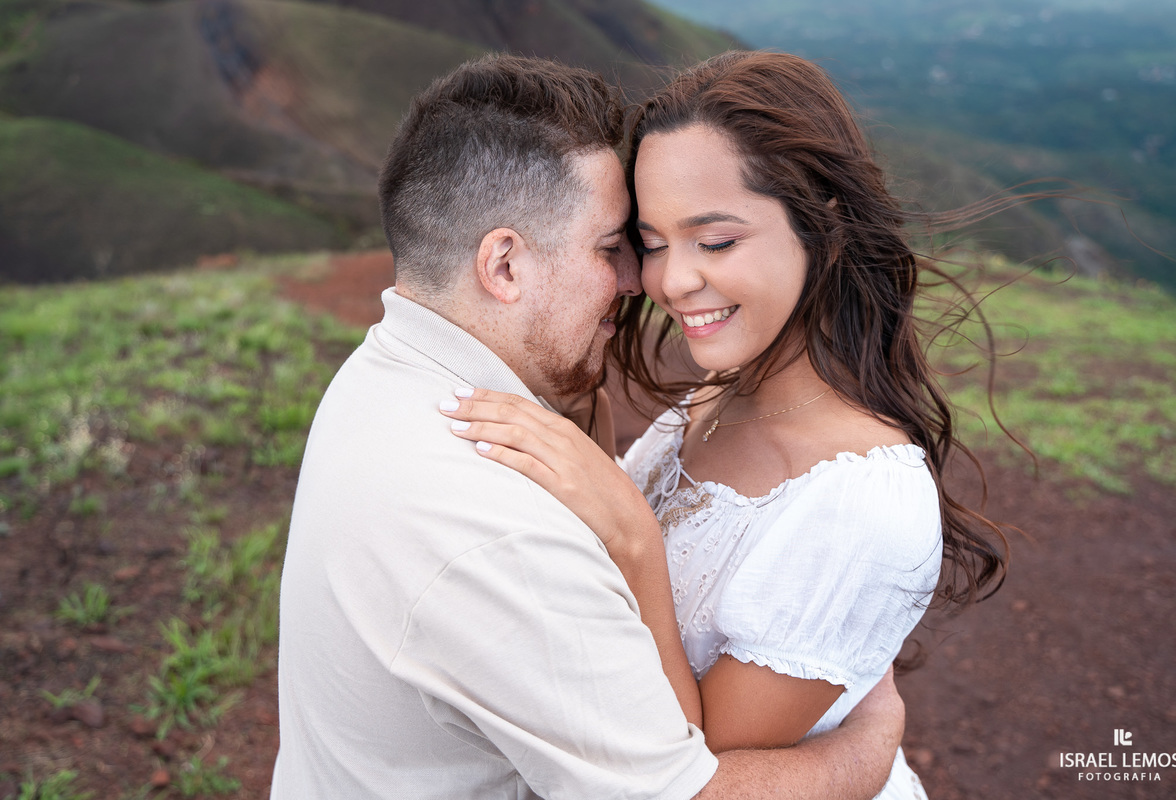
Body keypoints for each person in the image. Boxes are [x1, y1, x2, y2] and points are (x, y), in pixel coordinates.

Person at [271, 53, 908, 799]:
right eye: (617, 248)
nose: (647, 282)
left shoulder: (385, 375)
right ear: (504, 266)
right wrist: (869, 746)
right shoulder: (499, 526)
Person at [441, 51, 1011, 799]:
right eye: (652, 242)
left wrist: (635, 540)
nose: (671, 281)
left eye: (716, 242)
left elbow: (688, 774)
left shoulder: (865, 504)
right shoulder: (718, 393)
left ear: (822, 226)